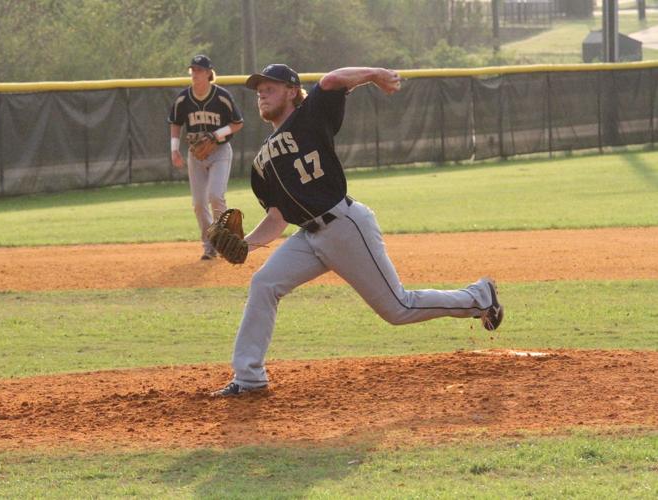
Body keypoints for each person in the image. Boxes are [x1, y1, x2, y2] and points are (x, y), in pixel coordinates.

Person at [211, 64, 504, 397]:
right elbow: (278, 217)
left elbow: (333, 80)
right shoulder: (262, 160)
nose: (261, 93)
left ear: (292, 91)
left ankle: (480, 297)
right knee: (264, 283)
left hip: (345, 225)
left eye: (270, 87)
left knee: (399, 308)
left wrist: (377, 74)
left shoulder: (309, 116)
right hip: (309, 236)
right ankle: (249, 378)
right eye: (258, 90)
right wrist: (246, 245)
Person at [168, 55, 244, 260]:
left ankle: (224, 240)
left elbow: (238, 123)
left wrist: (215, 135)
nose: (195, 74)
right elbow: (175, 123)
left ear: (209, 73)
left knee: (216, 196)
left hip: (219, 152)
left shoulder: (221, 96)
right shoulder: (184, 99)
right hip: (196, 157)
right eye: (193, 70)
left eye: (199, 70)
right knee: (199, 203)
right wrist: (174, 149)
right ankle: (209, 244)